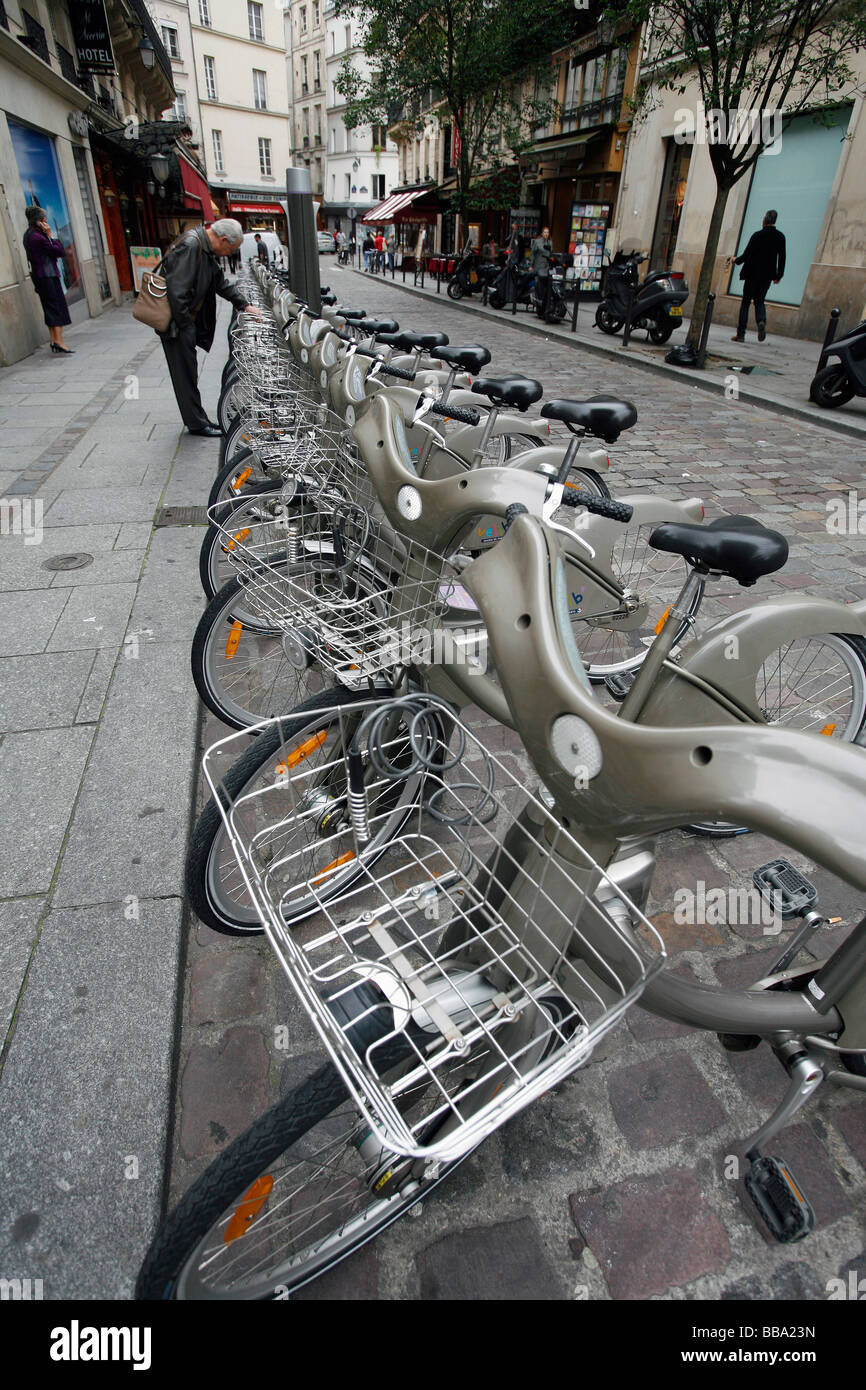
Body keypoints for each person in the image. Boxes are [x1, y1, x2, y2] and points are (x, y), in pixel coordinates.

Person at [160, 218, 261, 437]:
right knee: (184, 375)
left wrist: (244, 305)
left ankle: (198, 419)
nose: (227, 254)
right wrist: (187, 328)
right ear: (223, 240)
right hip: (176, 325)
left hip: (183, 324)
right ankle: (197, 424)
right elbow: (177, 293)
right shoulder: (192, 246)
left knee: (189, 372)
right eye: (230, 249)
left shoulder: (203, 248)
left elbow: (219, 283)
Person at [729, 209, 786, 343]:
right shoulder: (780, 236)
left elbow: (747, 254)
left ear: (765, 220)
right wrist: (779, 275)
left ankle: (741, 334)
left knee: (746, 302)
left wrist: (736, 260)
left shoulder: (757, 235)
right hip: (767, 276)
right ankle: (761, 320)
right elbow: (782, 257)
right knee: (759, 301)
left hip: (752, 274)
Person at [23, 205, 74, 354]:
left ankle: (53, 340)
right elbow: (59, 251)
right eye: (44, 218)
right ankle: (59, 341)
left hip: (41, 276)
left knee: (49, 307)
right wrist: (51, 235)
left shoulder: (29, 234)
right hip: (47, 275)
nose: (46, 220)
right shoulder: (38, 237)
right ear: (38, 220)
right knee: (55, 307)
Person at [529, 225, 554, 317]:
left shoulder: (550, 243)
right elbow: (532, 254)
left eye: (547, 232)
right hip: (538, 265)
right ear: (542, 233)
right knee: (537, 283)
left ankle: (543, 303)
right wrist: (531, 265)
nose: (546, 234)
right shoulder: (537, 242)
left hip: (546, 266)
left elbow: (551, 253)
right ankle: (536, 301)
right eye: (545, 232)